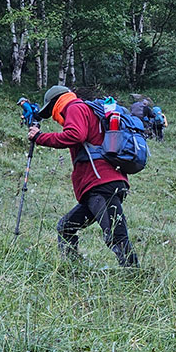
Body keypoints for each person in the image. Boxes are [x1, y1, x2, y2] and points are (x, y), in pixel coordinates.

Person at [27, 85, 138, 267]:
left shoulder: (74, 107)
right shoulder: (86, 110)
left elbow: (75, 135)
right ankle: (72, 270)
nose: (54, 117)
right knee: (66, 227)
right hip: (102, 183)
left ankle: (134, 274)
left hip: (101, 183)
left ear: (55, 103)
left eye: (51, 111)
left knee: (115, 235)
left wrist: (40, 137)